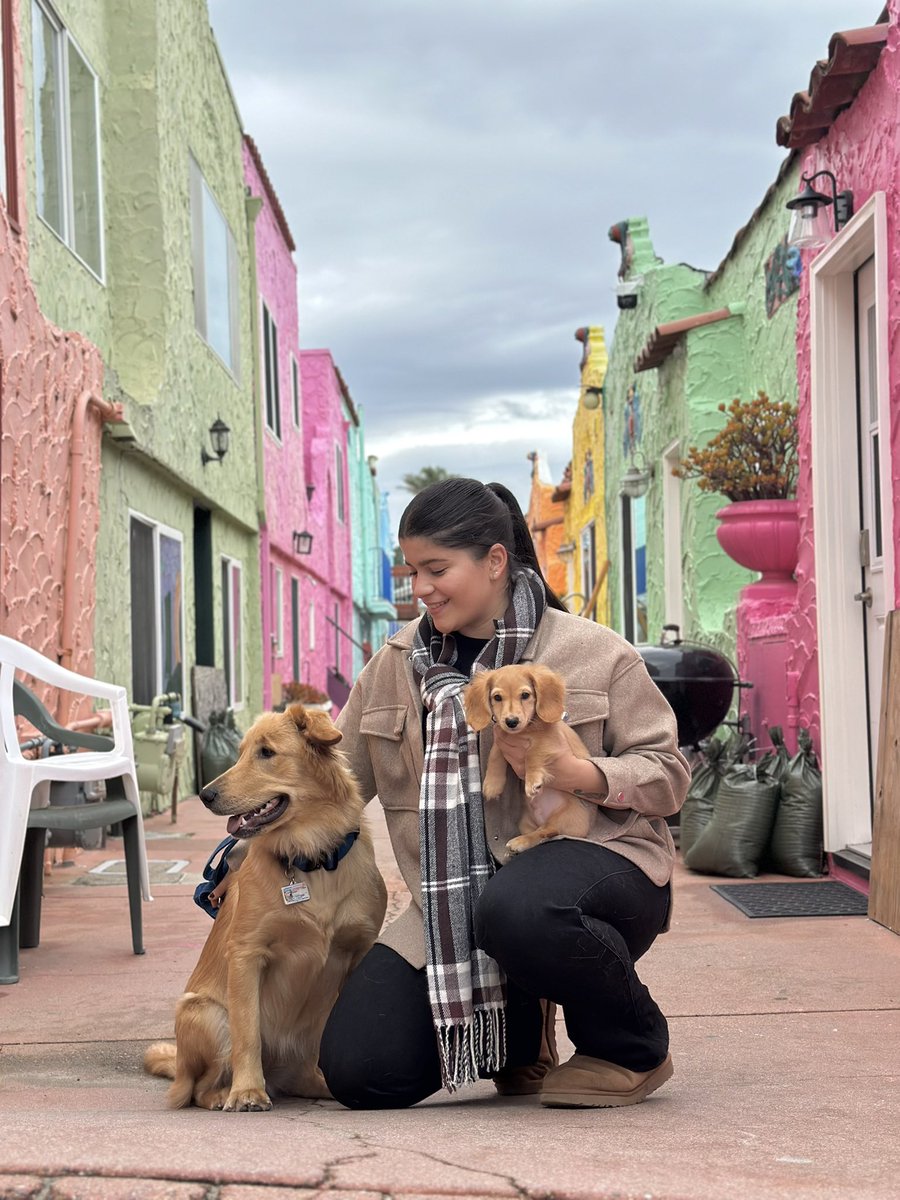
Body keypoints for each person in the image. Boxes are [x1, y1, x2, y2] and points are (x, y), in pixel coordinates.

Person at [319, 477, 690, 1109]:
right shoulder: (395, 664)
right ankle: (518, 1032)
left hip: (600, 868)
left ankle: (630, 1047)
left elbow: (669, 775)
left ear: (495, 561)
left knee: (520, 907)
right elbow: (334, 777)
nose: (422, 590)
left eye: (437, 569)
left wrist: (583, 775)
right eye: (412, 572)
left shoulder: (592, 652)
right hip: (453, 911)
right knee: (361, 1070)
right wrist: (250, 842)